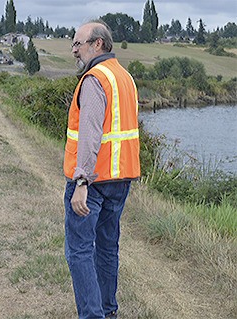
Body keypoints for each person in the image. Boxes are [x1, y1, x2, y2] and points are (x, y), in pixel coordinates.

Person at [63, 21, 140, 319]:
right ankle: (108, 311)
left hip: (92, 181)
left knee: (80, 251)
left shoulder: (95, 79)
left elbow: (91, 132)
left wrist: (81, 179)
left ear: (98, 44)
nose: (73, 50)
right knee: (107, 248)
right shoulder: (125, 77)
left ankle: (93, 315)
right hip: (120, 180)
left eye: (78, 43)